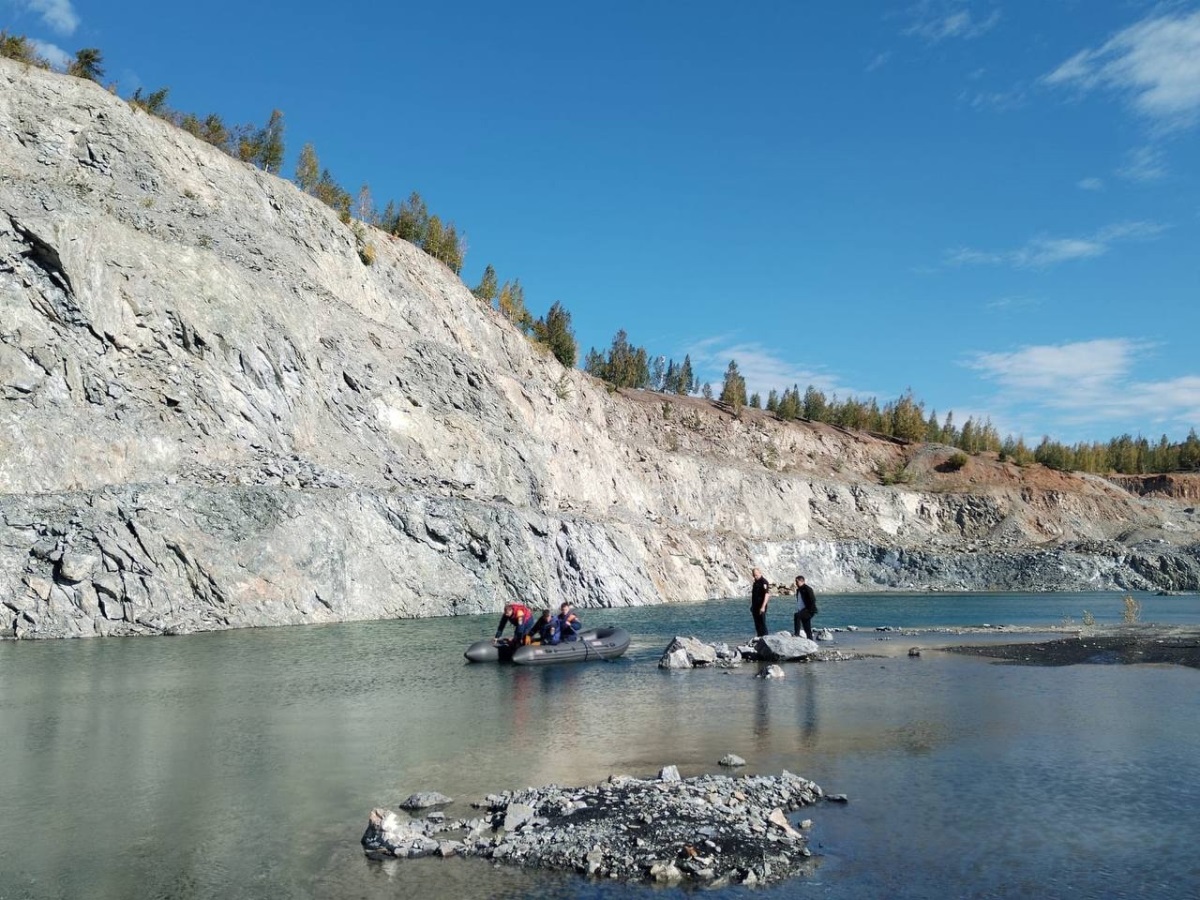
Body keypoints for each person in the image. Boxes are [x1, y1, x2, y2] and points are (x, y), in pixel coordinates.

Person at [793, 575, 818, 640]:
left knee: (797, 616)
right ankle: (811, 642)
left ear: (802, 581)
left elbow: (813, 600)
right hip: (802, 610)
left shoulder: (808, 589)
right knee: (807, 628)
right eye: (795, 582)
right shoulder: (798, 590)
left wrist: (809, 610)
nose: (796, 583)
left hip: (809, 610)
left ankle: (797, 634)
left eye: (797, 582)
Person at [750, 567, 771, 637]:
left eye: (756, 575)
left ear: (760, 573)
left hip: (761, 605)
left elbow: (767, 595)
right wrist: (752, 606)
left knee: (762, 622)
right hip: (755, 606)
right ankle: (759, 636)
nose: (755, 576)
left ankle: (765, 637)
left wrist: (763, 607)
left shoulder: (764, 582)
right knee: (757, 623)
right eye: (754, 575)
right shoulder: (756, 582)